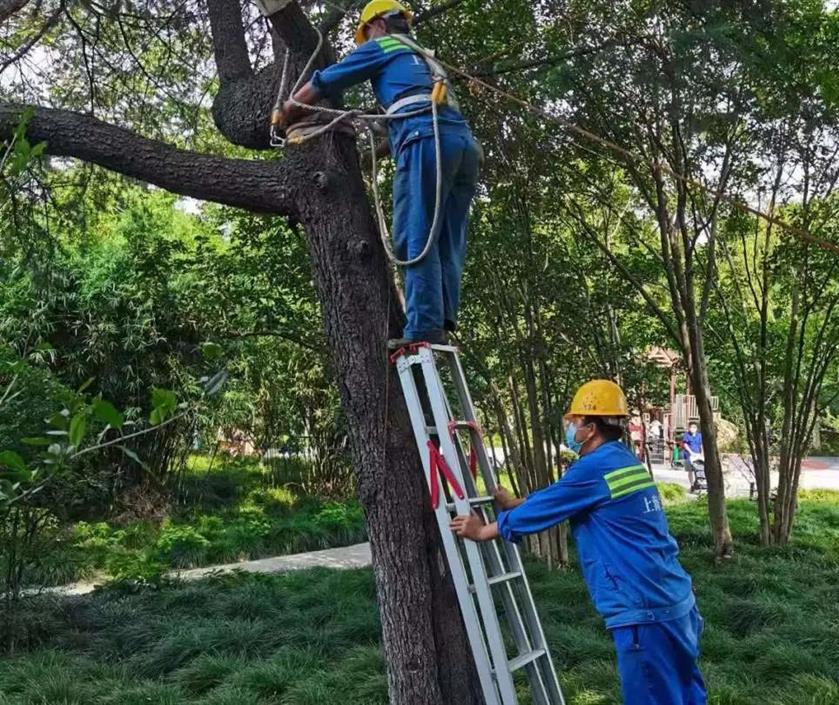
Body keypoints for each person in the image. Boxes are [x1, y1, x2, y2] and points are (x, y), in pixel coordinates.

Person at [450, 379, 707, 705]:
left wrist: (483, 531)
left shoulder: (595, 467)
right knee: (686, 695)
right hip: (676, 601)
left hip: (644, 611)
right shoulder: (622, 460)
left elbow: (558, 500)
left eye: (574, 421)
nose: (570, 427)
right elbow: (564, 494)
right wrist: (516, 503)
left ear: (592, 427)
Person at [281, 0, 480, 347]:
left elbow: (326, 79)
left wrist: (287, 109)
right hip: (463, 146)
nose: (365, 40)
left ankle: (423, 328)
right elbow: (409, 103)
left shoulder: (383, 46)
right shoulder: (424, 57)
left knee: (414, 234)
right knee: (447, 236)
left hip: (425, 137)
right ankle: (442, 316)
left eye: (366, 33)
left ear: (379, 26)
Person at [681, 422, 704, 491]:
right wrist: (691, 452)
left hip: (698, 454)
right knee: (690, 470)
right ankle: (691, 484)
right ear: (689, 428)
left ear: (696, 429)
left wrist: (702, 453)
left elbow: (701, 445)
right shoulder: (686, 435)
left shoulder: (699, 435)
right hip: (688, 455)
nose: (692, 429)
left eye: (694, 427)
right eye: (691, 427)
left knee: (700, 468)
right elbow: (685, 444)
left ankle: (699, 482)